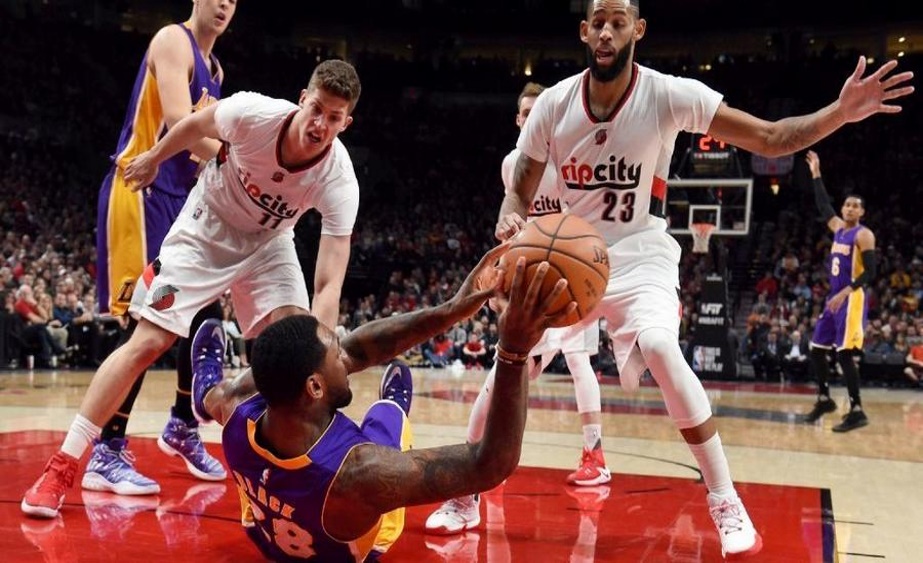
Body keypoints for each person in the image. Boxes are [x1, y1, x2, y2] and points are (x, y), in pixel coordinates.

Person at [493, 1, 912, 557]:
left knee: (661, 346)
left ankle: (724, 498)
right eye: (598, 21)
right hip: (574, 255)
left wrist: (838, 112)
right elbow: (518, 186)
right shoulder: (553, 103)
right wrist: (509, 215)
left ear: (638, 29)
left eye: (618, 21)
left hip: (641, 255)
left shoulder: (668, 94)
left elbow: (771, 138)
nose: (607, 31)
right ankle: (466, 493)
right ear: (583, 31)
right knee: (509, 354)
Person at [22, 59, 363, 519]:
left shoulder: (340, 179)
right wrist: (152, 159)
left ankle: (265, 461)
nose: (320, 124)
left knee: (293, 352)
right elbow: (194, 125)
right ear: (303, 99)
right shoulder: (253, 113)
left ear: (346, 123)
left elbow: (328, 280)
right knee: (148, 341)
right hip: (207, 227)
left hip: (269, 243)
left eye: (334, 117)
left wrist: (316, 353)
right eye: (317, 109)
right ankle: (63, 464)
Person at [190, 245, 575, 562]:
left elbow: (360, 348)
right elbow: (489, 464)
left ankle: (201, 387)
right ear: (315, 387)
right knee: (385, 419)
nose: (347, 356)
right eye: (337, 354)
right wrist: (514, 351)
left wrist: (451, 309)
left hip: (267, 538)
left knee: (222, 393)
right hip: (350, 550)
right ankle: (395, 405)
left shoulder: (237, 411)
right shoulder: (363, 473)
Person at [426, 81, 609, 537]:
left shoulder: (574, 160)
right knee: (504, 378)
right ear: (518, 119)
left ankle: (591, 455)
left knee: (574, 364)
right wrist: (504, 276)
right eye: (525, 112)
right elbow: (515, 230)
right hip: (533, 285)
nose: (531, 119)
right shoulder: (514, 165)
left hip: (571, 283)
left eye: (538, 112)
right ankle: (477, 479)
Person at [87, 0, 238, 496]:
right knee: (143, 324)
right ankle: (106, 451)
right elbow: (178, 123)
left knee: (201, 312)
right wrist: (247, 165)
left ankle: (181, 424)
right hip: (141, 189)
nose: (224, 4)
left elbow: (205, 147)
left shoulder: (216, 69)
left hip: (180, 200)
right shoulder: (173, 40)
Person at [803, 150, 878, 432]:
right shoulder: (837, 229)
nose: (849, 209)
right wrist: (816, 173)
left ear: (862, 212)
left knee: (845, 354)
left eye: (855, 206)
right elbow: (823, 205)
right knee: (817, 349)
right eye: (846, 205)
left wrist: (845, 292)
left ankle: (857, 410)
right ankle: (824, 399)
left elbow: (871, 272)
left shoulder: (864, 235)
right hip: (834, 300)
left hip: (852, 299)